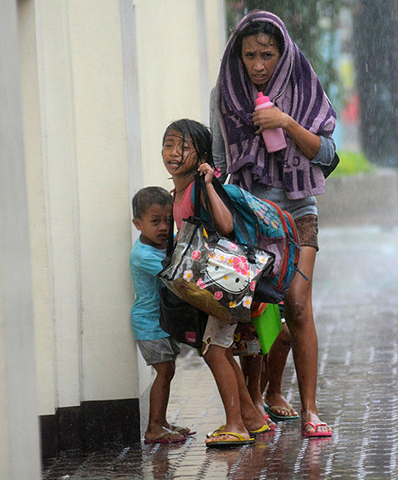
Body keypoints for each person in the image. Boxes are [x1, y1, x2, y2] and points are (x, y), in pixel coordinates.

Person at [211, 10, 337, 438]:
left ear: (282, 53)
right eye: (250, 55)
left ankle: (311, 411)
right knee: (257, 314)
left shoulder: (303, 85)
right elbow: (221, 163)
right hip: (251, 219)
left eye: (267, 54)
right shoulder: (226, 94)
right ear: (238, 54)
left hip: (299, 214)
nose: (259, 64)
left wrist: (285, 122)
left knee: (298, 305)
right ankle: (259, 399)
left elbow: (328, 156)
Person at [161, 118, 273, 447]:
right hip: (211, 288)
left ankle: (235, 424)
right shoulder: (176, 192)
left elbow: (225, 225)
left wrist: (209, 184)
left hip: (224, 283)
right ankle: (251, 418)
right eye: (169, 144)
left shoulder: (199, 187)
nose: (175, 152)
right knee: (217, 350)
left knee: (214, 352)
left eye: (184, 147)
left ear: (201, 155)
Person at [130, 186, 195, 444]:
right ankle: (154, 427)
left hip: (163, 322)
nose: (164, 228)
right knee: (165, 371)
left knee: (168, 371)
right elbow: (174, 272)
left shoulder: (160, 246)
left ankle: (162, 422)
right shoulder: (142, 255)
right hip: (149, 323)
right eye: (155, 221)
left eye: (168, 220)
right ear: (138, 224)